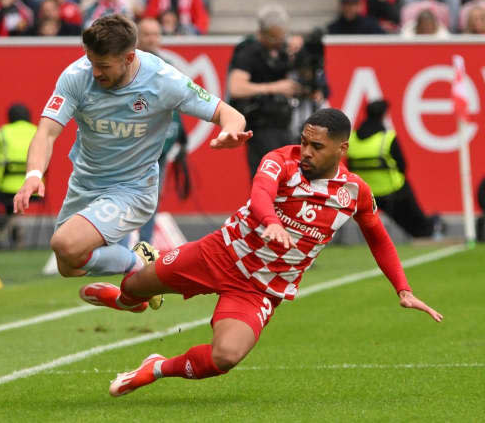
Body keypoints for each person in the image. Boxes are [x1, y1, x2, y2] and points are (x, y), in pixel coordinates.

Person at [79, 108, 444, 397]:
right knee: (134, 285)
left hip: (261, 288)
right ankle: (133, 301)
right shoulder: (280, 160)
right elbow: (260, 194)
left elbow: (378, 237)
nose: (306, 152)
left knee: (224, 358)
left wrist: (403, 289)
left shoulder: (354, 192)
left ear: (341, 149)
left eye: (317, 147)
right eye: (304, 142)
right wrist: (269, 220)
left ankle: (156, 366)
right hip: (219, 253)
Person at [13, 14, 249, 307]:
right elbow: (46, 132)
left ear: (129, 57)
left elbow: (230, 114)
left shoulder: (163, 79)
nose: (95, 72)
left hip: (133, 187)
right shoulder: (76, 76)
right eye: (91, 61)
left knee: (64, 243)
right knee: (68, 264)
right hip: (85, 182)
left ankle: (139, 267)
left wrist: (229, 131)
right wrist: (33, 174)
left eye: (103, 66)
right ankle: (133, 285)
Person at [347, 100, 443, 238]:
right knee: (410, 208)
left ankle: (424, 228)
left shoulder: (352, 139)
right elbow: (403, 166)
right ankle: (427, 229)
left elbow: (349, 167)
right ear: (383, 115)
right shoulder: (387, 138)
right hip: (391, 192)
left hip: (365, 193)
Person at [228, 4, 302, 179]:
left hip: (286, 124)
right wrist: (275, 88)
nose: (279, 41)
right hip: (261, 126)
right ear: (263, 33)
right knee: (267, 178)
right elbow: (236, 87)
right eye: (275, 37)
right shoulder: (249, 53)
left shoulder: (284, 52)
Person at [134, 17, 188, 244]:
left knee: (151, 196)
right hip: (129, 143)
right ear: (136, 37)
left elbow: (176, 103)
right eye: (147, 34)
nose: (152, 39)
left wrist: (181, 135)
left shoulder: (166, 67)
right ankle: (114, 245)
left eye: (156, 34)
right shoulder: (128, 66)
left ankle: (143, 246)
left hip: (159, 144)